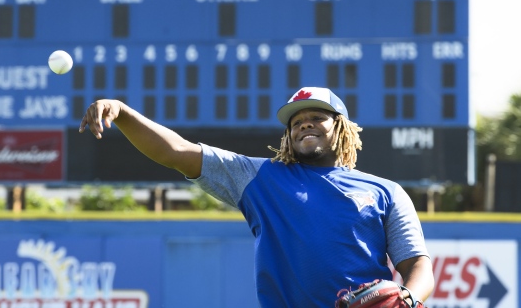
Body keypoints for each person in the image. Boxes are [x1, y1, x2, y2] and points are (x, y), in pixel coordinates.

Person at [79, 86, 434, 307]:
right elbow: (177, 151)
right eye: (295, 122)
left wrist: (408, 298)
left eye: (316, 117)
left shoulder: (385, 191)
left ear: (340, 126)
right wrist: (122, 112)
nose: (304, 124)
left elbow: (417, 266)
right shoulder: (260, 177)